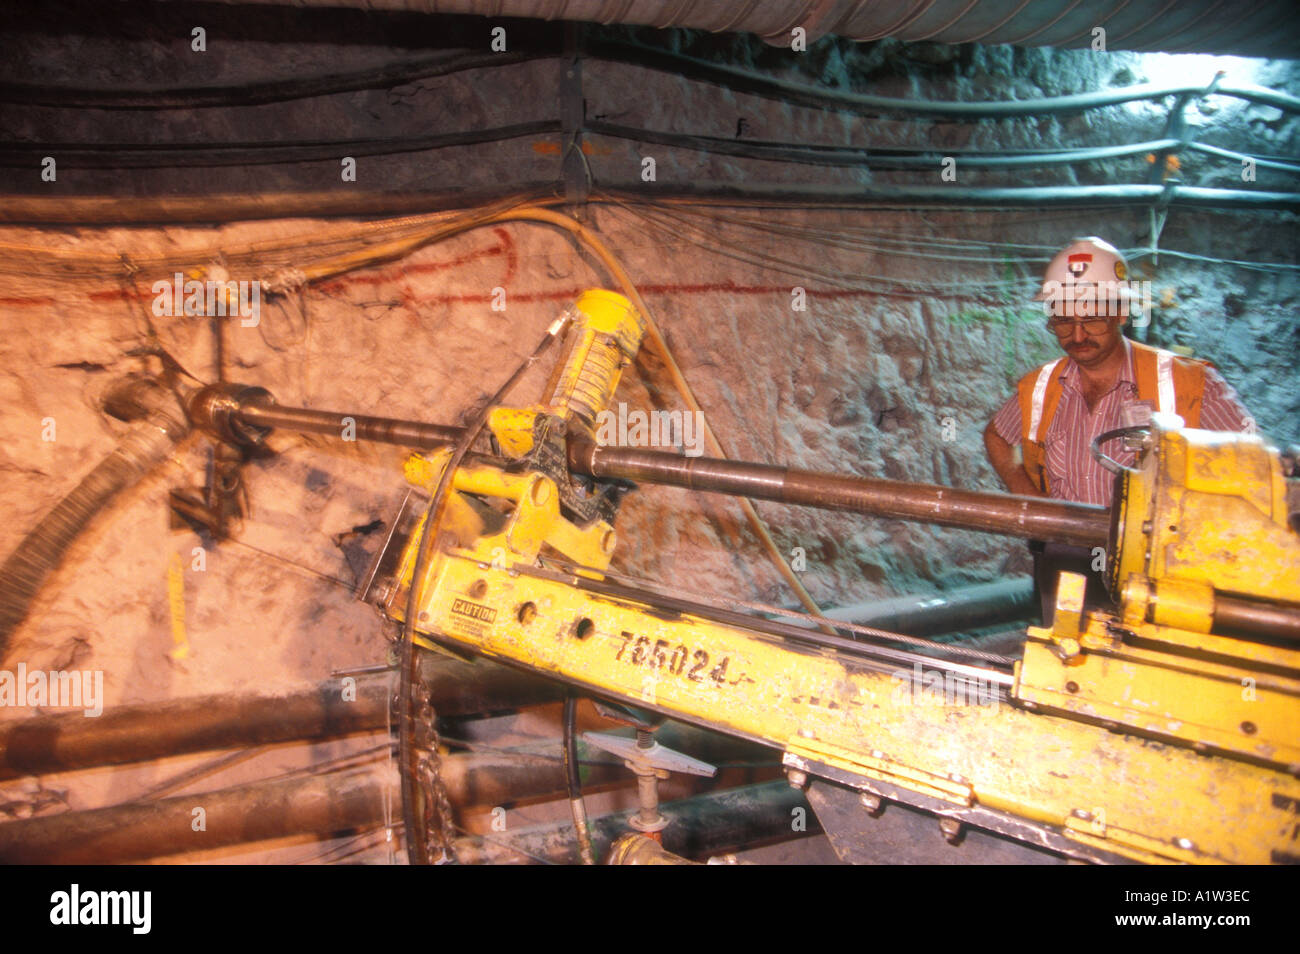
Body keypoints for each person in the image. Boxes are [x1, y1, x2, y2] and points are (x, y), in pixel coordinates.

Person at [982, 236, 1255, 621]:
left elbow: (1256, 469)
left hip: (1163, 565)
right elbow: (997, 436)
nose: (1077, 336)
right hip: (1065, 560)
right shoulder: (1041, 386)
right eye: (1063, 321)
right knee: (1067, 667)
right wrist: (1028, 498)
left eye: (1091, 318)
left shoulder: (1188, 384)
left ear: (1121, 311)